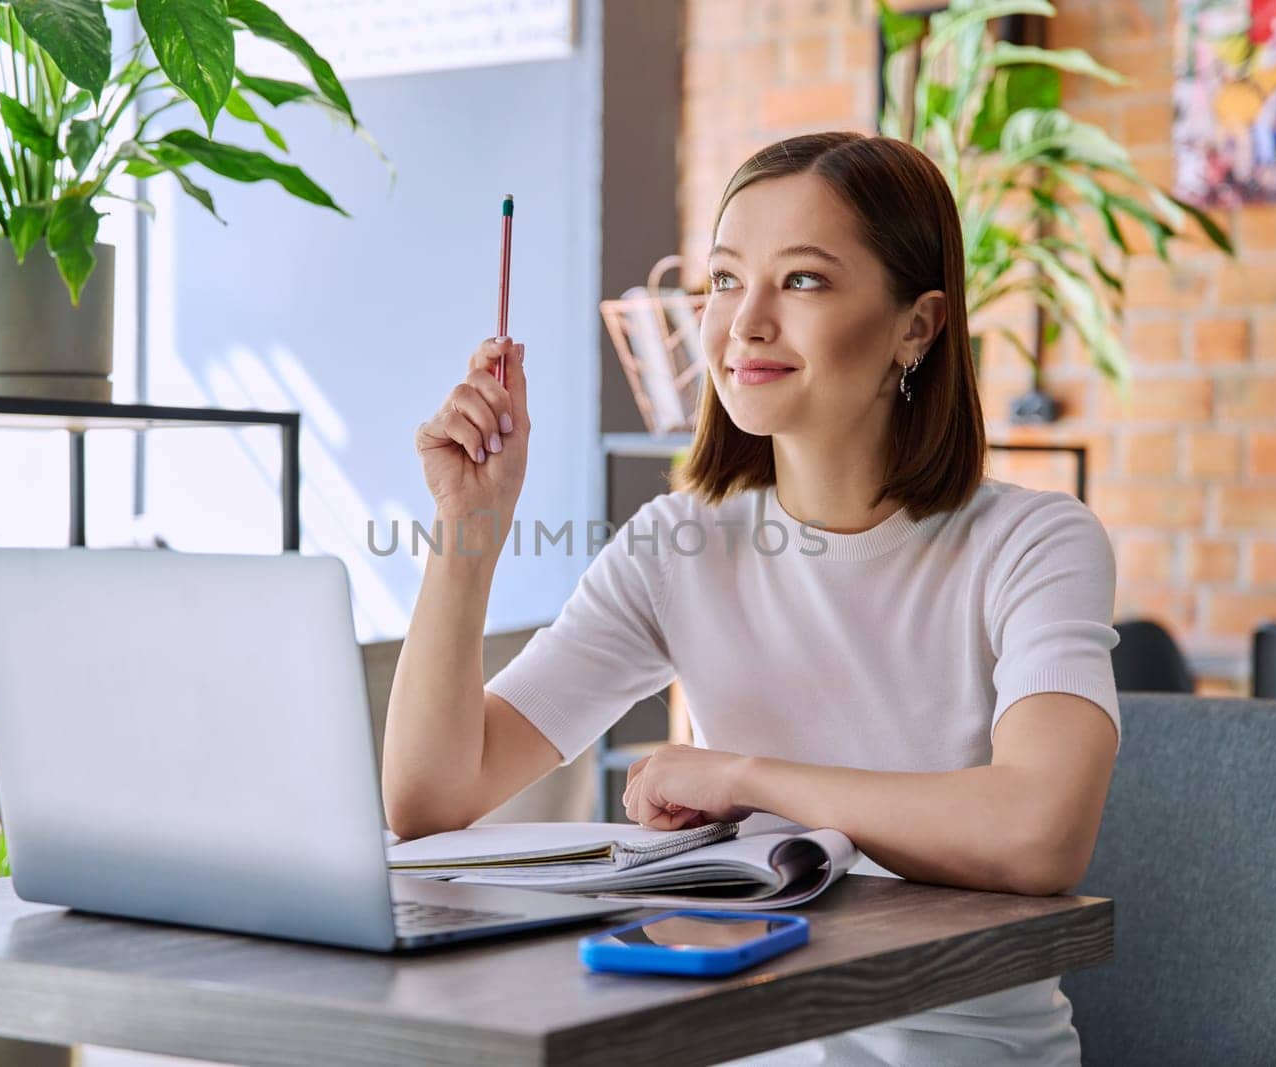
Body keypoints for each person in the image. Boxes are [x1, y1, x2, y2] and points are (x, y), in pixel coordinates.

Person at [384, 132, 1120, 1066]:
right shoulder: (678, 543)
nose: (746, 323)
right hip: (740, 1041)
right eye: (727, 280)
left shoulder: (1031, 542)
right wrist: (467, 530)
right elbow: (430, 799)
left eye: (803, 280)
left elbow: (1039, 832)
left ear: (918, 326)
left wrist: (743, 778)